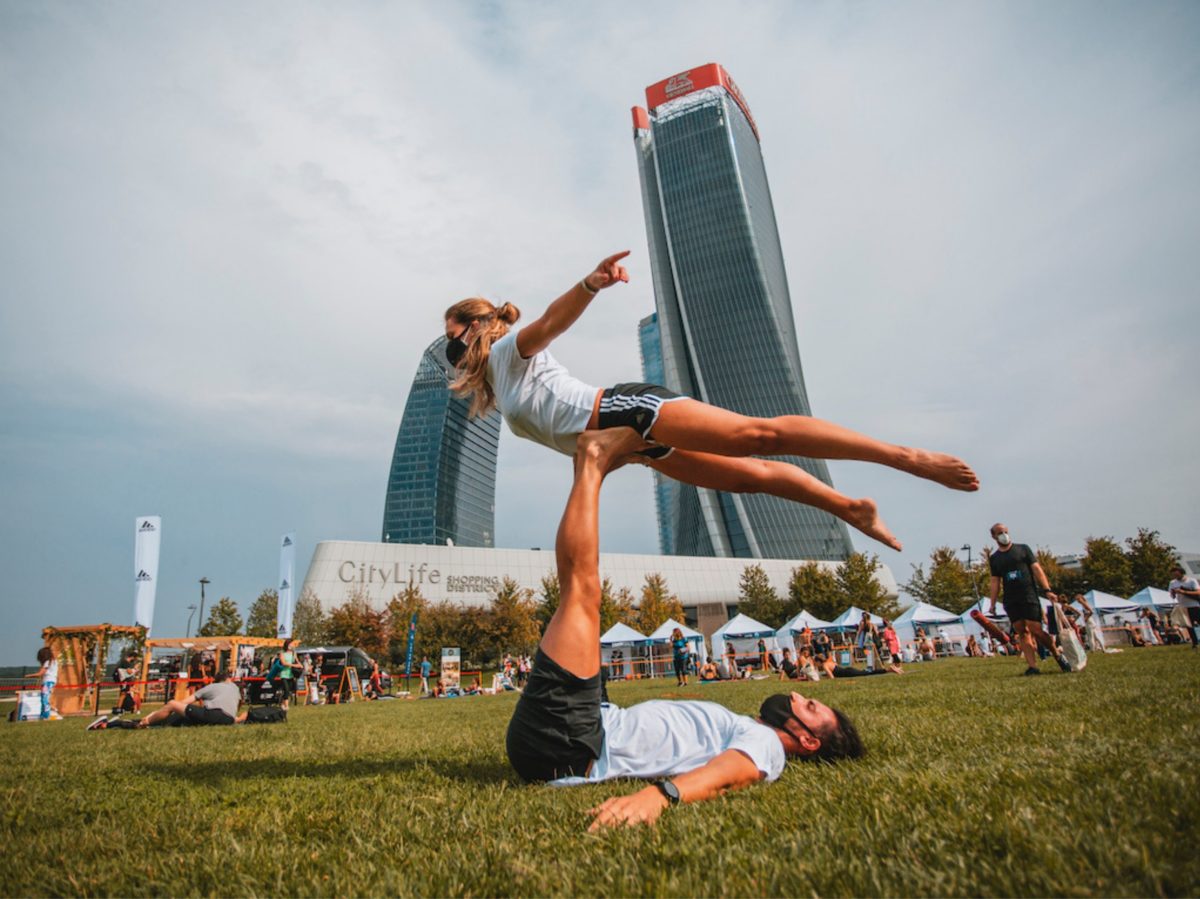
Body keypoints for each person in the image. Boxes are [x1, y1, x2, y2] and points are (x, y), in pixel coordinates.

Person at [443, 253, 980, 553]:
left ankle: (906, 457)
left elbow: (550, 322)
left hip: (629, 412)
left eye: (455, 338)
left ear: (480, 327)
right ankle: (851, 508)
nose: (453, 351)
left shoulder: (512, 350)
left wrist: (590, 283)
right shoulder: (500, 380)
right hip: (634, 448)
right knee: (750, 478)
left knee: (758, 436)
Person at [504, 427, 864, 830]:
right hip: (592, 721)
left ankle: (591, 462)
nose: (799, 695)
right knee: (585, 602)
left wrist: (661, 796)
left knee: (581, 593)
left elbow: (732, 773)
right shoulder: (747, 728)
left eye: (810, 708)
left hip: (568, 742)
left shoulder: (766, 747)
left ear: (808, 741)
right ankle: (591, 467)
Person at [987, 523, 1071, 676]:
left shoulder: (1023, 549)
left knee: (1036, 630)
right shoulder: (995, 558)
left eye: (1006, 531)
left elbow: (1037, 569)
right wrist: (992, 603)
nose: (1004, 534)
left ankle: (1057, 654)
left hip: (1028, 594)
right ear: (993, 536)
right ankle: (1033, 666)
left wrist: (1047, 590)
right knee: (1022, 632)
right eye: (1000, 532)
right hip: (1011, 599)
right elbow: (995, 581)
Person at [118, 670, 242, 728]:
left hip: (215, 715)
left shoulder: (212, 687)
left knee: (172, 704)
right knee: (190, 716)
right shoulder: (235, 688)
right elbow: (239, 703)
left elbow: (183, 703)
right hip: (229, 719)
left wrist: (159, 712)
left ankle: (146, 722)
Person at [1168, 564, 1200, 648]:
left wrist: (1183, 592)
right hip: (1183, 606)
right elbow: (1172, 596)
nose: (1175, 576)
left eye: (1176, 574)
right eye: (1174, 574)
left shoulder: (1191, 580)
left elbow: (1198, 592)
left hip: (1194, 605)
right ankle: (1195, 643)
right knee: (1189, 625)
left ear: (1181, 573)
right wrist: (1173, 593)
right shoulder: (1172, 583)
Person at [24, 646, 58, 720]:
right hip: (52, 681)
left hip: (47, 682)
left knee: (44, 699)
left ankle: (46, 715)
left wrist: (29, 676)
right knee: (46, 698)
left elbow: (40, 673)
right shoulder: (54, 661)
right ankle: (48, 712)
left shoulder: (47, 662)